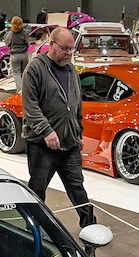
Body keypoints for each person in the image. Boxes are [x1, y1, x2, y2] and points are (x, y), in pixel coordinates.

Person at [21, 26, 96, 229]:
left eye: (72, 49)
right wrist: (46, 131)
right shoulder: (35, 69)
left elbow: (76, 103)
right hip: (41, 145)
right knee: (38, 189)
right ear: (51, 44)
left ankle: (90, 227)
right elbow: (30, 106)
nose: (69, 53)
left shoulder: (71, 70)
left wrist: (78, 132)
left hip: (69, 143)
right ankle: (34, 230)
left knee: (77, 187)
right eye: (64, 49)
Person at [4, 15, 30, 82]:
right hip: (24, 54)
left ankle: (19, 88)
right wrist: (21, 25)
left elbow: (7, 43)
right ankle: (26, 87)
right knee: (25, 72)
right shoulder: (24, 32)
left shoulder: (10, 33)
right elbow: (28, 26)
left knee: (16, 73)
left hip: (15, 55)